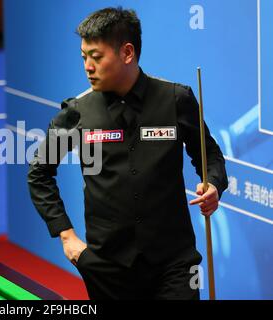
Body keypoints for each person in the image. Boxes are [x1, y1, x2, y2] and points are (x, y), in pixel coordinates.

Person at [27, 7, 228, 300]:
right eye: (84, 57)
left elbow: (210, 156)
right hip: (108, 268)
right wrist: (66, 236)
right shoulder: (76, 113)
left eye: (96, 57)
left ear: (127, 53)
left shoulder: (176, 99)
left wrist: (213, 185)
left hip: (174, 263)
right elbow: (39, 173)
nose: (88, 66)